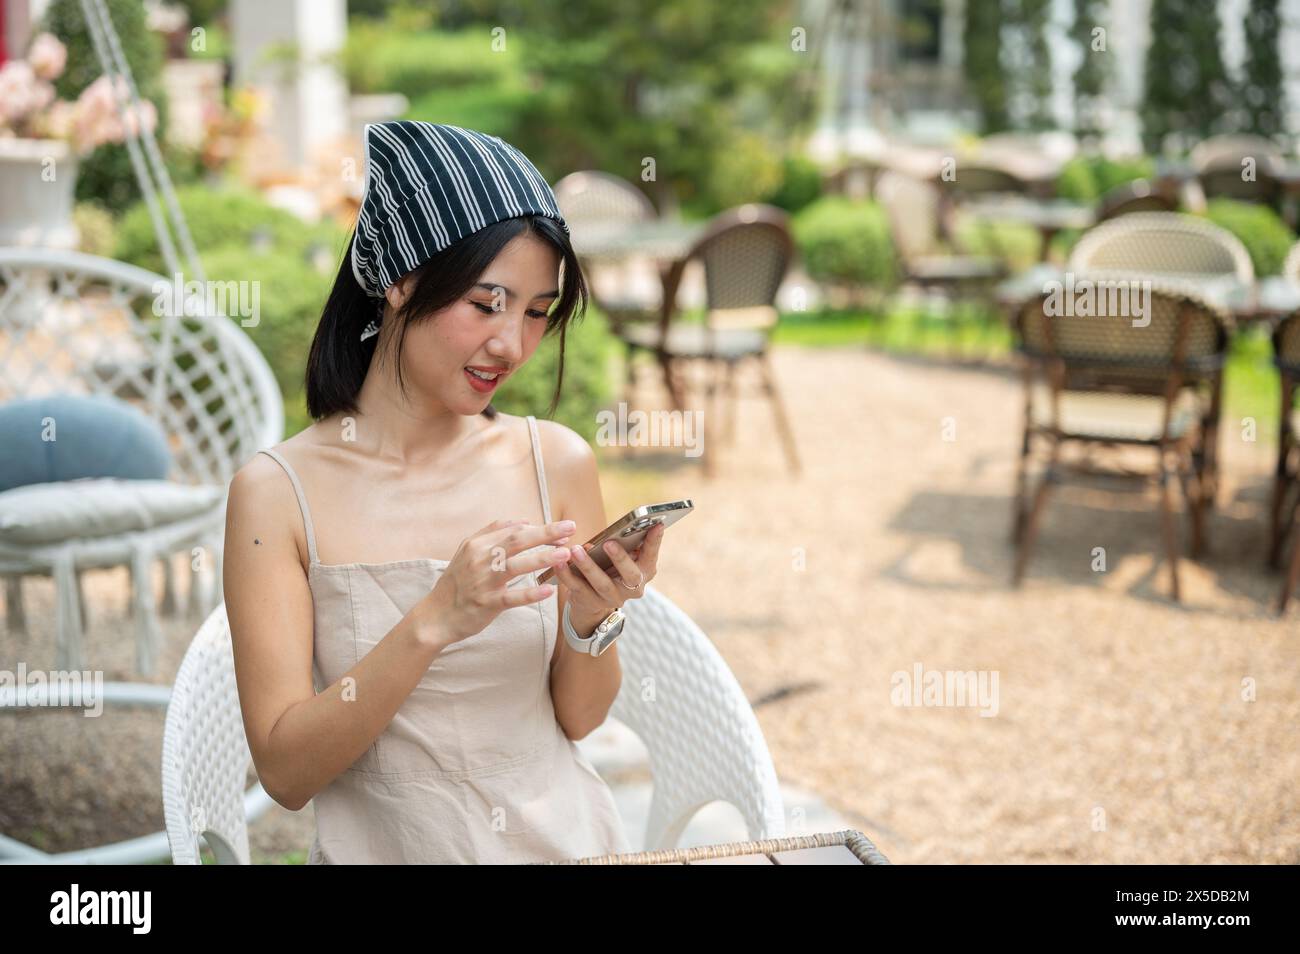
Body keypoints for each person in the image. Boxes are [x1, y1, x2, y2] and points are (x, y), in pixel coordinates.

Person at [222, 121, 662, 863]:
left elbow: (581, 720)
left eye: (535, 312)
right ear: (400, 280)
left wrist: (592, 617)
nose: (513, 346)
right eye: (487, 305)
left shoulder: (554, 462)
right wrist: (434, 620)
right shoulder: (276, 495)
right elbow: (286, 771)